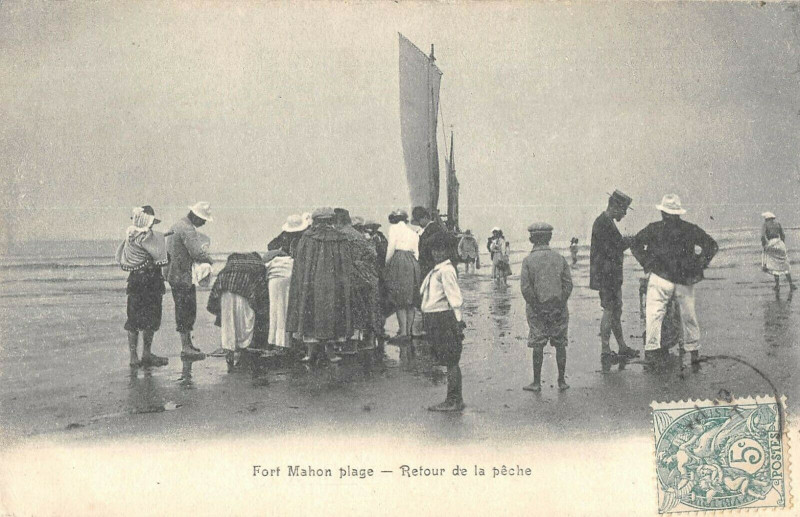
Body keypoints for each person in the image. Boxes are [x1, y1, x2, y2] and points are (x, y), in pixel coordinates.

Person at [631, 194, 719, 365]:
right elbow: (712, 246)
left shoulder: (654, 228)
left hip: (660, 277)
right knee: (688, 315)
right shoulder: (690, 228)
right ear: (679, 213)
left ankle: (651, 353)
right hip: (683, 278)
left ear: (663, 212)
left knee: (654, 314)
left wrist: (648, 263)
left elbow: (635, 244)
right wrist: (699, 265)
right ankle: (694, 352)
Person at [286, 207, 355, 364]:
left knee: (310, 313)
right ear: (331, 220)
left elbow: (300, 265)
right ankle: (330, 353)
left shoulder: (307, 238)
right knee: (333, 314)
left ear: (316, 221)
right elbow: (346, 266)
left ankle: (310, 353)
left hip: (310, 284)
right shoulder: (340, 239)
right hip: (334, 285)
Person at [520, 223, 573, 392]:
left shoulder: (528, 260)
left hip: (537, 310)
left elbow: (526, 288)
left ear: (531, 239)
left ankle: (536, 382)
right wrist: (560, 304)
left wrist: (537, 307)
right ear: (549, 238)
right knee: (560, 344)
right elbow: (568, 285)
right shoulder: (560, 258)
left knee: (538, 343)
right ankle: (561, 381)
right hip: (559, 308)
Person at [115, 206, 170, 368]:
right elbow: (163, 258)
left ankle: (135, 356)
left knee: (135, 319)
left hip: (135, 281)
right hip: (151, 281)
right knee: (148, 319)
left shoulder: (130, 237)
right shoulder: (149, 237)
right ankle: (145, 353)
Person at [590, 190, 639, 362]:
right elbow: (611, 250)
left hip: (610, 276)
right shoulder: (602, 223)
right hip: (607, 277)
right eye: (623, 210)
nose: (624, 214)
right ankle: (605, 350)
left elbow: (612, 247)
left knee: (615, 311)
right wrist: (628, 242)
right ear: (614, 206)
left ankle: (622, 346)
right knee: (610, 311)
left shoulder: (605, 222)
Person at [420, 232, 466, 411]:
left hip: (443, 318)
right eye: (434, 250)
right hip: (435, 317)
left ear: (448, 251)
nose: (437, 253)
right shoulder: (438, 269)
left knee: (451, 359)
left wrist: (458, 322)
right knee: (447, 359)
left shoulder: (446, 270)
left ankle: (454, 400)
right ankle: (454, 399)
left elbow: (455, 299)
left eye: (441, 250)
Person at [163, 202, 214, 360]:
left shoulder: (177, 225)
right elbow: (197, 252)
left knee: (183, 308)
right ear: (196, 217)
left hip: (173, 273)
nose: (204, 223)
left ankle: (187, 345)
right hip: (181, 275)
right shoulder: (187, 229)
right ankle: (186, 347)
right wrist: (210, 260)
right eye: (203, 220)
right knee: (186, 310)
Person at [206, 252, 269, 371]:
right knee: (245, 320)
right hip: (245, 293)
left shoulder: (229, 266)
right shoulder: (258, 266)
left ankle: (229, 353)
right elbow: (261, 289)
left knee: (228, 323)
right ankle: (242, 350)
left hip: (226, 292)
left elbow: (218, 283)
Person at [335, 208, 379, 355]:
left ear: (338, 221)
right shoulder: (358, 234)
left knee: (352, 309)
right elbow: (372, 253)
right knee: (367, 309)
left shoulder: (342, 235)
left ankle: (351, 346)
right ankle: (369, 341)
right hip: (367, 275)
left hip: (353, 276)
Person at [263, 214, 309, 349]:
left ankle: (279, 341)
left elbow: (270, 246)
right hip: (293, 271)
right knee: (292, 307)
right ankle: (292, 341)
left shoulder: (284, 235)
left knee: (278, 308)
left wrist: (281, 254)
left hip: (280, 270)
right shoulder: (304, 237)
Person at [384, 209, 421, 344]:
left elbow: (391, 248)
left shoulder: (393, 229)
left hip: (399, 260)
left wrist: (386, 265)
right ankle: (409, 331)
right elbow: (417, 253)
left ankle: (403, 332)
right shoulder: (413, 233)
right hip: (412, 262)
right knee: (410, 299)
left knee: (400, 299)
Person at [761, 212, 796, 291]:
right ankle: (791, 284)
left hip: (772, 243)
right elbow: (783, 235)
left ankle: (777, 285)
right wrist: (782, 244)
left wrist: (764, 245)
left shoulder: (765, 224)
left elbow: (763, 236)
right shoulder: (778, 224)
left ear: (767, 218)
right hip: (780, 243)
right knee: (785, 264)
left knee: (774, 265)